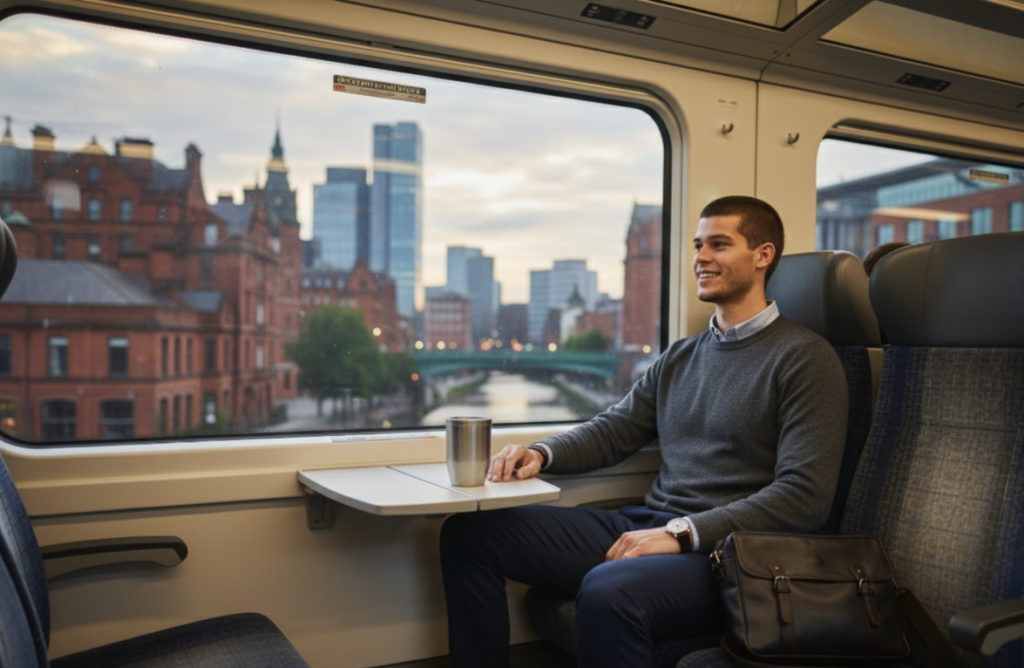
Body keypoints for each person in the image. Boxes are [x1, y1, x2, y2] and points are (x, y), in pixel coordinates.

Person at [439, 196, 849, 668]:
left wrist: (681, 533)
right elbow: (615, 428)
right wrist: (542, 453)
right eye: (698, 245)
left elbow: (805, 497)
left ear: (763, 255)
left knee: (608, 592)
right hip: (648, 524)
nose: (700, 258)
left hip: (729, 556)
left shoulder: (806, 359)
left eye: (719, 244)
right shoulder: (681, 356)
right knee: (470, 536)